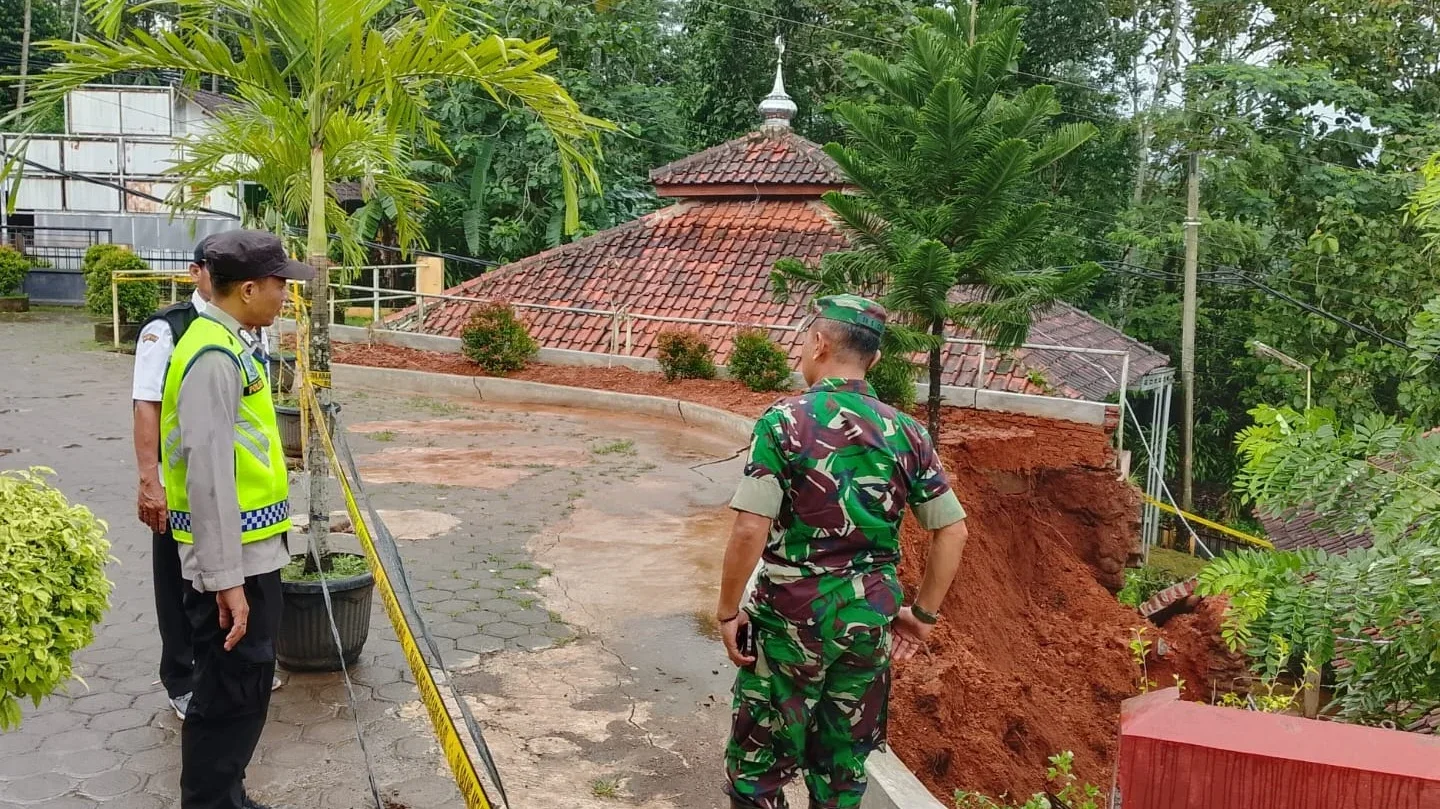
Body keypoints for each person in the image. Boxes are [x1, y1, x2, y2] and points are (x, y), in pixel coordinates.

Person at [715, 294, 970, 809]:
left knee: (758, 768)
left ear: (818, 343)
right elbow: (953, 531)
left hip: (790, 621)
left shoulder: (784, 422)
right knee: (842, 768)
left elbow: (749, 529)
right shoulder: (908, 433)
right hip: (867, 621)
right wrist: (922, 617)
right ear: (874, 358)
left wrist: (726, 611)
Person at [160, 229, 313, 809]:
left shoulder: (230, 342)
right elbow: (207, 475)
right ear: (248, 289)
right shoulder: (212, 357)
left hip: (250, 550)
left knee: (242, 688)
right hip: (233, 562)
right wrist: (225, 580)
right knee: (228, 694)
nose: (285, 295)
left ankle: (228, 797)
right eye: (279, 285)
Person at [133, 239, 279, 721]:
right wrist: (149, 480)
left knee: (207, 599)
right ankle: (182, 679)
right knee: (179, 587)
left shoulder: (242, 329)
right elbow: (147, 404)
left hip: (228, 500)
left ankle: (224, 675)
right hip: (187, 491)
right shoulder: (173, 329)